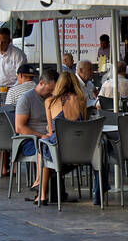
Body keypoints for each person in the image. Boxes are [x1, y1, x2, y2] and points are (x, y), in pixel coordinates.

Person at [34, 71, 88, 205]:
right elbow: (83, 124)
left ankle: (41, 193)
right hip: (78, 148)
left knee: (44, 146)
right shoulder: (81, 101)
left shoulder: (50, 101)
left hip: (58, 149)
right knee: (46, 145)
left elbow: (51, 130)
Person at [14, 68, 57, 197]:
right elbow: (19, 128)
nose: (51, 93)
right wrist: (41, 135)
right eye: (50, 89)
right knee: (47, 147)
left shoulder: (53, 99)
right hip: (30, 141)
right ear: (41, 83)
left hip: (50, 138)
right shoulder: (26, 99)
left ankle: (52, 191)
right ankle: (41, 189)